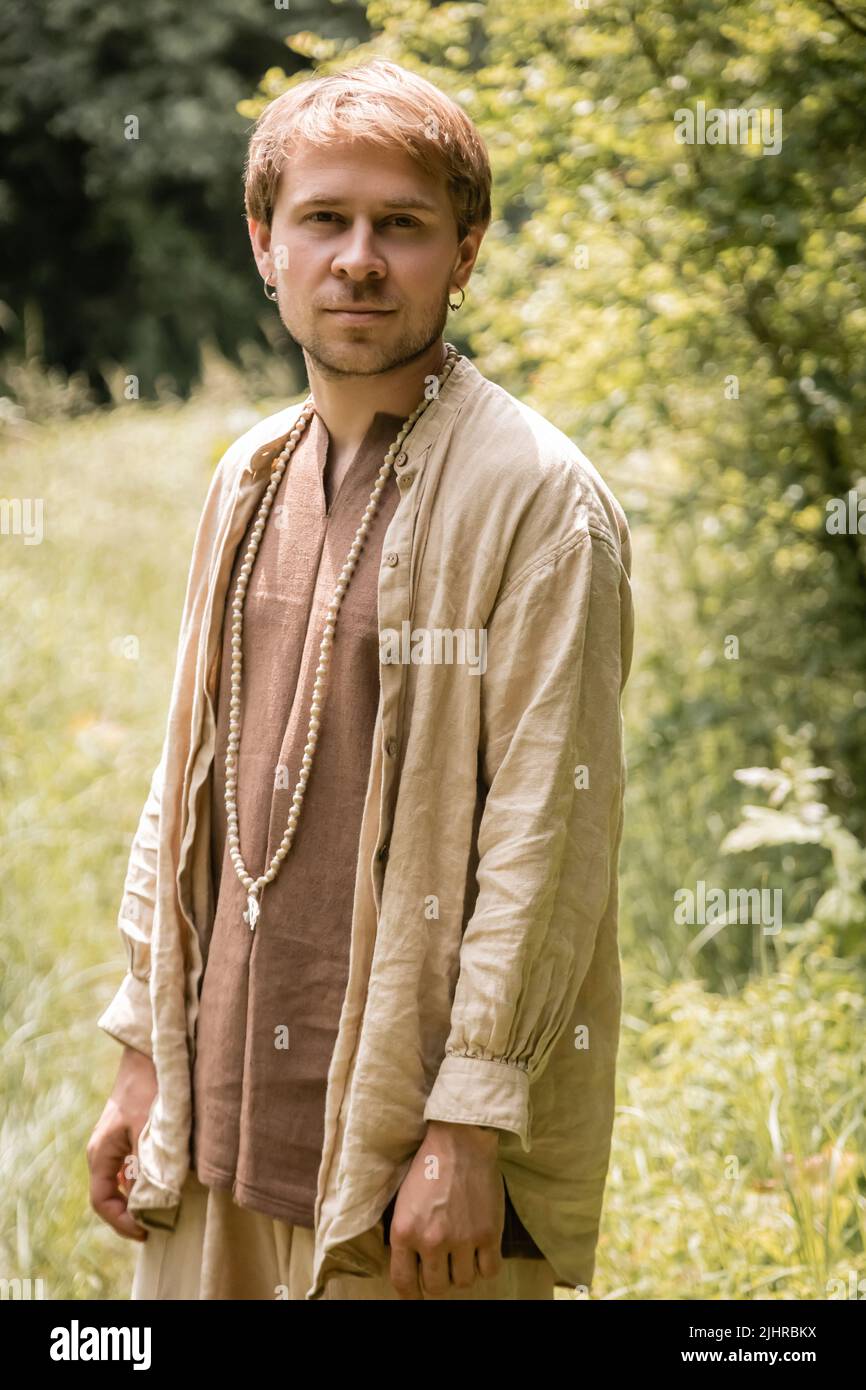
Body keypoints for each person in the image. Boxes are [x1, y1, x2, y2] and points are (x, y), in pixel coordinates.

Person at [86, 57, 634, 1302]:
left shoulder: (537, 500)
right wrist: (141, 1056)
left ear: (466, 249)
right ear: (261, 243)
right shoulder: (248, 474)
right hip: (215, 1133)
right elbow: (180, 796)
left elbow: (551, 836)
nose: (359, 259)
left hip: (402, 1176)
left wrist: (466, 1126)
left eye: (403, 225)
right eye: (323, 219)